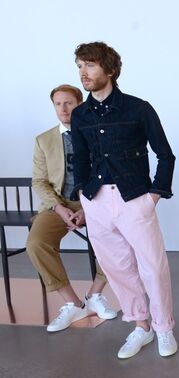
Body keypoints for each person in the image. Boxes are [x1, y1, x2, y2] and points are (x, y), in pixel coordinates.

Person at [70, 42, 178, 359]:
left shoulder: (138, 108)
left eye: (90, 65)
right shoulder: (80, 115)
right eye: (79, 66)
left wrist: (154, 196)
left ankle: (164, 327)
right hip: (96, 200)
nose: (83, 73)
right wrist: (83, 194)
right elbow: (80, 159)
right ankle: (141, 326)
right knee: (118, 268)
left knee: (152, 267)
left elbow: (166, 155)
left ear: (110, 69)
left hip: (134, 198)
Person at [27, 84, 116, 332]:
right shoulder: (43, 140)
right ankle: (74, 304)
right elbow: (39, 181)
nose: (63, 109)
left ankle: (95, 295)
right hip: (58, 204)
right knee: (36, 243)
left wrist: (87, 209)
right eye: (58, 104)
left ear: (80, 105)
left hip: (95, 201)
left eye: (69, 103)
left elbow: (109, 173)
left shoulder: (98, 134)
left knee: (118, 239)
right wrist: (58, 207)